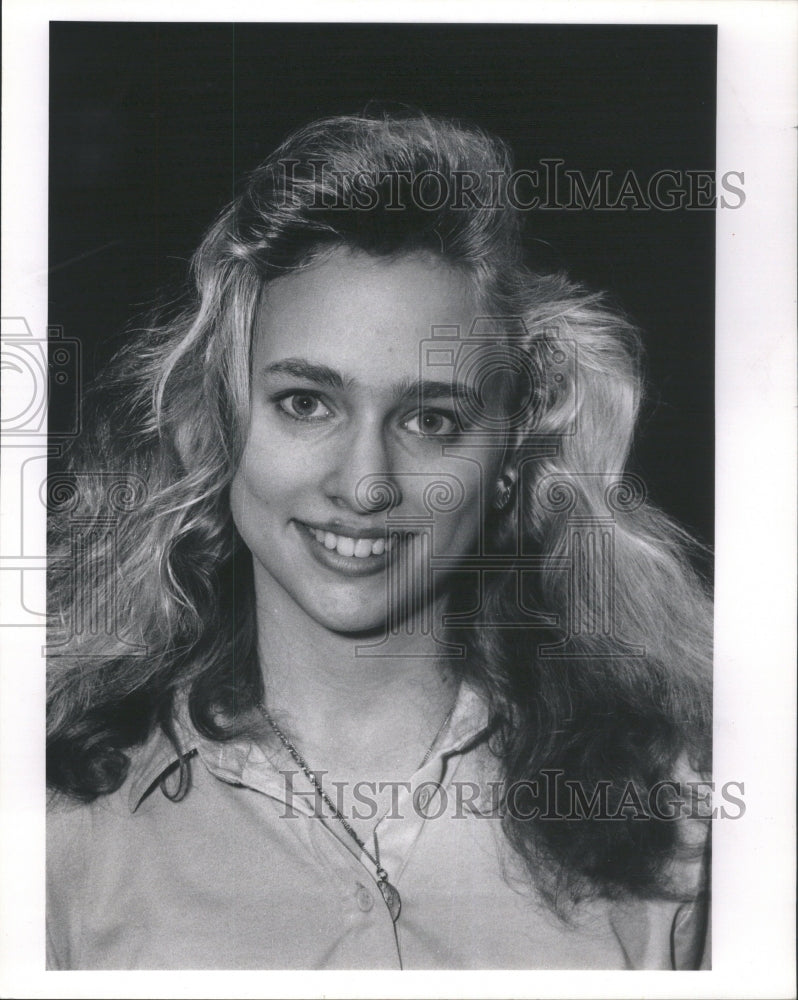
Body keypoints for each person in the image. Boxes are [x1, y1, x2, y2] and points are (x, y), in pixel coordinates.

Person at [46, 113, 713, 970]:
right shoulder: (58, 829)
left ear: (511, 456)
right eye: (305, 403)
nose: (365, 484)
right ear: (217, 423)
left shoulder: (669, 826)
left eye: (431, 419)